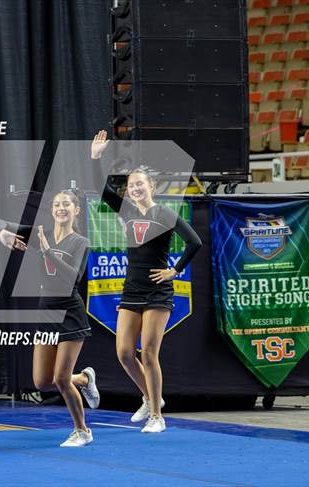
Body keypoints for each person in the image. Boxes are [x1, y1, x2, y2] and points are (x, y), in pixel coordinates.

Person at [90, 129, 202, 433]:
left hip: (157, 292)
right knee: (125, 354)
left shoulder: (164, 213)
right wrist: (97, 159)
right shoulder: (126, 210)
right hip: (132, 289)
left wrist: (175, 270)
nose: (135, 188)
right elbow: (102, 191)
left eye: (140, 183)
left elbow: (194, 242)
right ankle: (150, 397)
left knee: (149, 352)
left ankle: (156, 416)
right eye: (131, 185)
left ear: (151, 186)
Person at [0, 189, 100, 447]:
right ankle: (84, 379)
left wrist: (47, 250)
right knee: (42, 381)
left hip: (70, 313)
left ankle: (82, 431)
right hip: (46, 313)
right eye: (56, 204)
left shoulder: (80, 242)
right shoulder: (41, 233)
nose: (60, 208)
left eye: (66, 204)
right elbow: (0, 224)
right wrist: (5, 235)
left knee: (61, 379)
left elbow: (73, 277)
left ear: (76, 210)